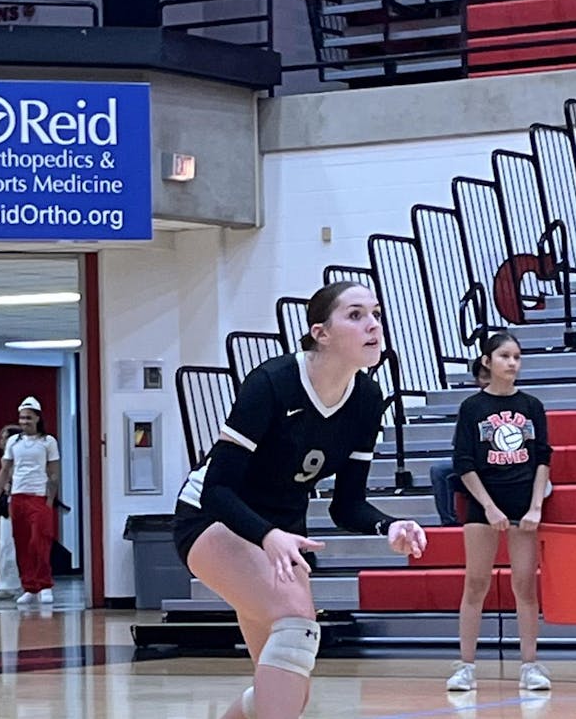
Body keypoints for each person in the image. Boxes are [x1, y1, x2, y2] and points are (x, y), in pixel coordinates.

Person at [174, 281, 428, 719]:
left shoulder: (367, 399)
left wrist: (389, 526)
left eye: (377, 314)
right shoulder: (273, 382)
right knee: (296, 626)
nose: (373, 325)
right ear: (321, 332)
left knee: (285, 691)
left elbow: (346, 505)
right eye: (355, 314)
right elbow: (218, 488)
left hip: (282, 532)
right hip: (213, 518)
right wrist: (267, 535)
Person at [447, 331, 552, 692]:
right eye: (505, 356)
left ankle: (530, 666)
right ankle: (466, 667)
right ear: (487, 362)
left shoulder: (532, 406)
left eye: (517, 357)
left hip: (524, 504)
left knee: (525, 585)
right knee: (476, 583)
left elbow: (542, 459)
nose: (512, 363)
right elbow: (463, 462)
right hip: (482, 504)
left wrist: (536, 505)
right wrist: (489, 508)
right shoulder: (472, 408)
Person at [0, 396, 60, 605]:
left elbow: (54, 473)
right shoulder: (14, 442)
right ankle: (30, 586)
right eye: (21, 418)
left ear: (38, 418)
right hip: (17, 498)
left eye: (28, 418)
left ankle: (45, 584)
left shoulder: (48, 442)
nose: (24, 422)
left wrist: (49, 500)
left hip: (38, 497)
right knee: (21, 544)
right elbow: (4, 471)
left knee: (39, 542)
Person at [429, 358, 491, 526]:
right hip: (476, 465)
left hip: (506, 466)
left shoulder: (520, 403)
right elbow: (460, 448)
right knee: (440, 471)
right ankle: (449, 523)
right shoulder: (470, 407)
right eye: (483, 377)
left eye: (490, 376)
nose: (487, 381)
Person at [0, 424, 23, 600]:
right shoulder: (5, 460)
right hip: (9, 503)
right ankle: (8, 584)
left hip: (23, 502)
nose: (0, 443)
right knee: (6, 545)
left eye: (3, 438)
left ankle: (30, 583)